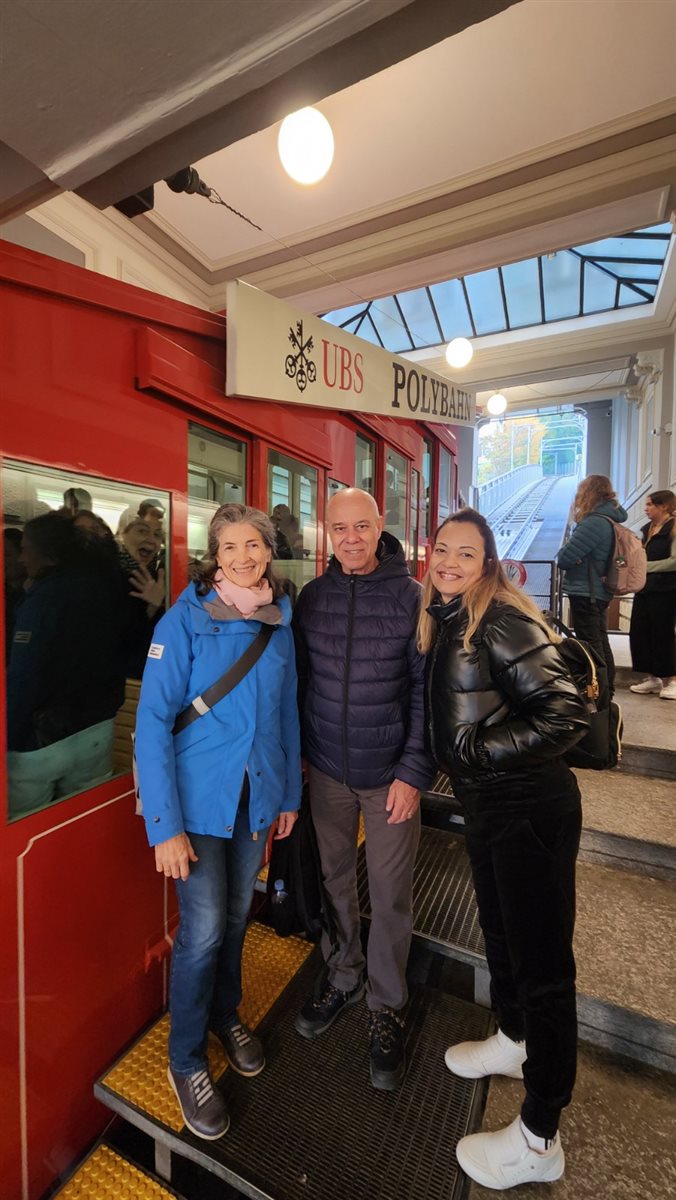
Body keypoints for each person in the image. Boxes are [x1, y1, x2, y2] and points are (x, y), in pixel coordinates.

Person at [420, 508, 589, 1191]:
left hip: (530, 809)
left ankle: (539, 1135)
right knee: (499, 933)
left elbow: (566, 711)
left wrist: (476, 754)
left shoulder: (502, 619)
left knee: (544, 967)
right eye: (442, 548)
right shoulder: (449, 614)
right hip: (490, 805)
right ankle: (515, 1041)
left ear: (489, 563)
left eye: (467, 553)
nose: (451, 561)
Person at [134, 503, 301, 1141]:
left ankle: (225, 1014)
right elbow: (152, 724)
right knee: (202, 930)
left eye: (253, 545)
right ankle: (184, 1058)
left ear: (267, 549)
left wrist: (287, 795)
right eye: (229, 547)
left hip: (255, 799)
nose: (242, 557)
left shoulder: (279, 621)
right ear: (213, 555)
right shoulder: (183, 622)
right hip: (196, 807)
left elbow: (285, 715)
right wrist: (164, 828)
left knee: (236, 917)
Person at [292, 487, 434, 1091]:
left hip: (388, 778)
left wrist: (413, 773)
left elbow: (427, 696)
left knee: (390, 890)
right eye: (339, 527)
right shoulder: (312, 598)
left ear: (381, 527)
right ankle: (343, 974)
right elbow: (298, 683)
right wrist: (298, 755)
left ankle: (385, 1005)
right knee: (335, 880)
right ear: (328, 532)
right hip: (326, 768)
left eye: (362, 526)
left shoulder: (411, 599)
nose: (351, 538)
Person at [6, 513, 125, 817]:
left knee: (29, 824)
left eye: (26, 548)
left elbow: (25, 677)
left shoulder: (43, 601)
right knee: (85, 818)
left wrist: (12, 737)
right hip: (97, 729)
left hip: (41, 741)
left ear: (48, 552)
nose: (21, 557)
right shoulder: (104, 587)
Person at [556, 474, 627, 696]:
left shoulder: (594, 522)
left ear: (588, 493)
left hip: (587, 592)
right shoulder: (609, 519)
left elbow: (565, 558)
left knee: (591, 647)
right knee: (600, 642)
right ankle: (606, 691)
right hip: (598, 592)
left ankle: (599, 693)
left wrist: (572, 555)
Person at [629, 489, 676, 701]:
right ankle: (652, 677)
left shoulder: (673, 528)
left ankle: (671, 680)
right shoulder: (647, 529)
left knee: (663, 635)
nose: (646, 508)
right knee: (639, 632)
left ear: (664, 506)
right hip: (644, 589)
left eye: (650, 505)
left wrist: (644, 567)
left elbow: (674, 561)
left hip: (666, 591)